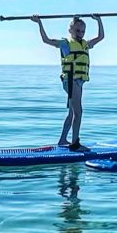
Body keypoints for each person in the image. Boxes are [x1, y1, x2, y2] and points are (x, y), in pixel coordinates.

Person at [31, 14, 105, 150]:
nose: (80, 34)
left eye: (83, 31)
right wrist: (39, 23)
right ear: (70, 30)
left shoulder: (86, 44)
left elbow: (101, 37)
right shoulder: (65, 43)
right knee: (79, 112)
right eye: (77, 31)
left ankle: (62, 140)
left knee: (72, 113)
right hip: (71, 80)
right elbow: (46, 40)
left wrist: (98, 20)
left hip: (78, 82)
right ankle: (75, 144)